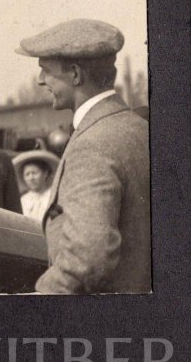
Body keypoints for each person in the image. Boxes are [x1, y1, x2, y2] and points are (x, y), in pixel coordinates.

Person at [17, 18, 150, 294]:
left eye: (46, 70)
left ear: (75, 75)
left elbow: (86, 259)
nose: (40, 80)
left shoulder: (92, 144)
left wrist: (39, 300)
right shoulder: (138, 128)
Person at [12, 150, 59, 223]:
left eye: (34, 173)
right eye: (27, 174)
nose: (31, 178)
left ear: (45, 173)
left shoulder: (53, 196)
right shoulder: (23, 200)